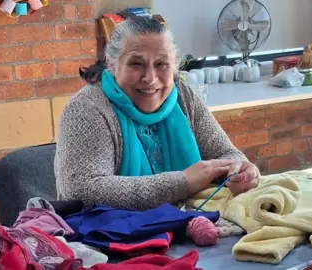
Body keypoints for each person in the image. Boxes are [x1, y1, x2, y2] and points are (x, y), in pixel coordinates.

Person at [54, 16, 261, 211]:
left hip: (188, 228)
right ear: (111, 64)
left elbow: (227, 154)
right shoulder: (88, 108)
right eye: (136, 64)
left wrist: (241, 171)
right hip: (111, 240)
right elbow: (82, 191)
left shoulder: (183, 96)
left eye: (161, 65)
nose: (150, 79)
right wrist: (183, 182)